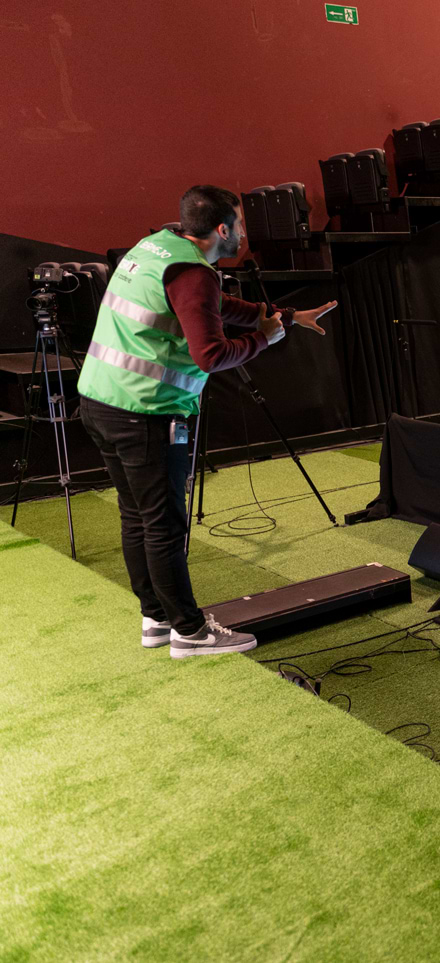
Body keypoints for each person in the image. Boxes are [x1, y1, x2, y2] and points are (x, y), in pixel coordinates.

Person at [76, 185, 335, 657]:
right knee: (163, 527)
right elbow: (211, 354)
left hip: (100, 401)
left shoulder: (154, 247)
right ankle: (190, 632)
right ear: (222, 229)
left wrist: (287, 315)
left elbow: (206, 306)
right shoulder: (194, 273)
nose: (244, 234)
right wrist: (265, 339)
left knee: (137, 518)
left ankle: (157, 618)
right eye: (240, 225)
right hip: (146, 414)